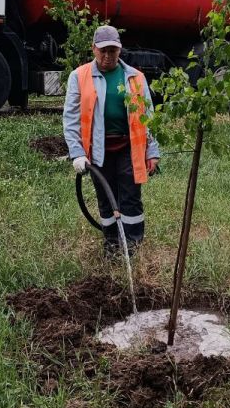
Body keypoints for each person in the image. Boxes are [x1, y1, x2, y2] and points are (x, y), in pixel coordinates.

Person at [63, 25, 160, 254]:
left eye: (112, 51)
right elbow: (71, 119)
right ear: (94, 49)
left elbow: (148, 117)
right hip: (98, 150)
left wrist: (152, 150)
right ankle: (112, 243)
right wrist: (77, 153)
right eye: (102, 50)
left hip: (129, 147)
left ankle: (132, 244)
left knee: (131, 198)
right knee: (106, 197)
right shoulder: (79, 76)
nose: (107, 56)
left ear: (120, 50)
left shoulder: (136, 77)